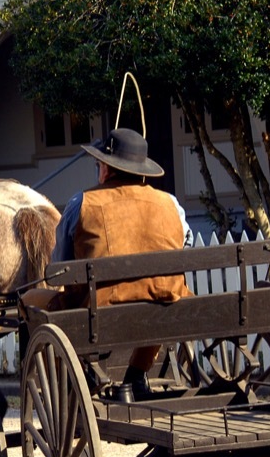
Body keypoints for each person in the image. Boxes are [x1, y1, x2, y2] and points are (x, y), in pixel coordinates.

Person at [25, 127, 191, 400]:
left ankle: (74, 377)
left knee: (28, 299)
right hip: (163, 309)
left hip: (98, 312)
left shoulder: (82, 203)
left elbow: (60, 269)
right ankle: (136, 376)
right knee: (161, 295)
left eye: (98, 164)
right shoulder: (171, 204)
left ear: (105, 169)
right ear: (142, 170)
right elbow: (186, 245)